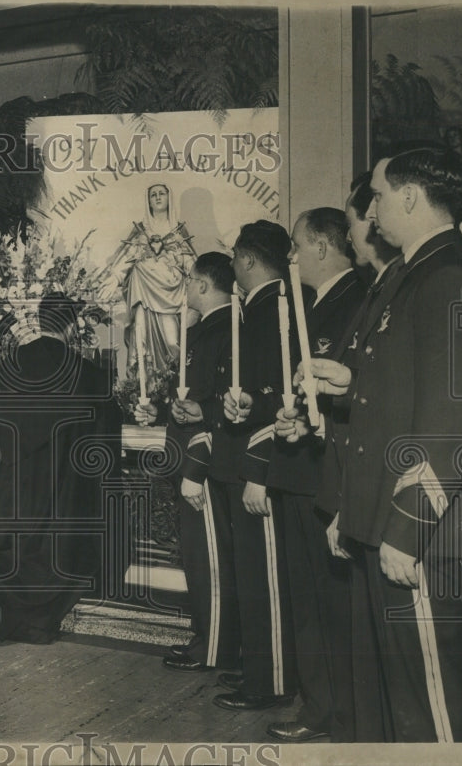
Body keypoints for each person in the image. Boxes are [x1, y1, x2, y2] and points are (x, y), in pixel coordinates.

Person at [302, 147, 462, 742]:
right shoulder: (413, 273)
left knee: (428, 699)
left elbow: (452, 422)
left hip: (420, 529)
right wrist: (350, 380)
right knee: (396, 697)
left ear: (410, 197)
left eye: (380, 195)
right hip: (386, 518)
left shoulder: (451, 273)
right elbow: (403, 392)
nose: (373, 207)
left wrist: (407, 529)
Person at [0, 292, 123, 645]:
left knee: (7, 554)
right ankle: (27, 623)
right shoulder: (89, 373)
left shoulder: (10, 362)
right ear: (73, 327)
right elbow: (103, 441)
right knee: (55, 557)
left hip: (11, 484)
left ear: (41, 321)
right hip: (60, 489)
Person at [259, 208, 366, 742]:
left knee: (330, 601)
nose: (293, 256)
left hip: (326, 474)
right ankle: (319, 706)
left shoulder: (358, 299)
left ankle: (339, 714)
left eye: (298, 245)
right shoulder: (310, 303)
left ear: (323, 246)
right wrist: (292, 418)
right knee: (308, 600)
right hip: (298, 467)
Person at [134, 253, 241, 675]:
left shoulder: (229, 328)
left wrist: (199, 414)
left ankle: (215, 647)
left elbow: (226, 395)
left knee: (210, 560)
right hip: (190, 459)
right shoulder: (203, 329)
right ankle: (207, 637)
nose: (186, 287)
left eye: (191, 280)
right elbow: (189, 398)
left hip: (206, 462)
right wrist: (161, 412)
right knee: (197, 560)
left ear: (202, 284)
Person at [215, 220, 298, 711]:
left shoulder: (275, 310)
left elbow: (278, 397)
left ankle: (273, 680)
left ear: (246, 260)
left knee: (265, 577)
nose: (233, 267)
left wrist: (256, 470)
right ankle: (258, 670)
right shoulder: (258, 309)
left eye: (234, 259)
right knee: (252, 574)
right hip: (245, 461)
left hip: (261, 465)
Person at [105, 184, 197, 379]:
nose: (157, 197)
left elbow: (190, 261)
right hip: (143, 293)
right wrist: (114, 277)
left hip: (170, 294)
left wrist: (201, 278)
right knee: (141, 341)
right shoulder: (141, 231)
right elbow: (126, 258)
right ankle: (141, 385)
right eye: (153, 194)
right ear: (148, 201)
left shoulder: (178, 230)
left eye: (161, 193)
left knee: (172, 341)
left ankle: (172, 383)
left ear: (168, 197)